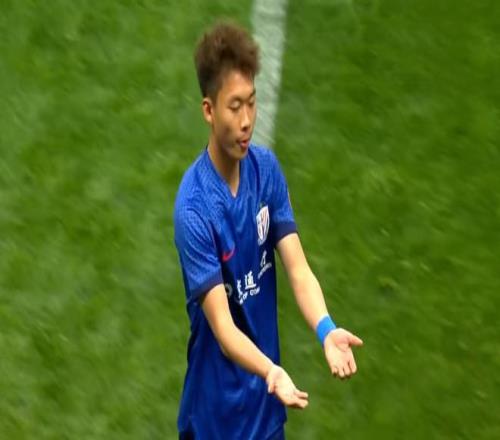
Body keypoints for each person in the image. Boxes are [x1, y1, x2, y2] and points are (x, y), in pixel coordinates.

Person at [173, 21, 363, 440]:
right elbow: (224, 330)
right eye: (234, 106)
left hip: (265, 411)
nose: (246, 121)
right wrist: (271, 370)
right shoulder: (194, 209)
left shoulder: (267, 172)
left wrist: (326, 329)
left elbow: (298, 268)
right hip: (215, 420)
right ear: (209, 110)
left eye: (252, 103)